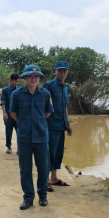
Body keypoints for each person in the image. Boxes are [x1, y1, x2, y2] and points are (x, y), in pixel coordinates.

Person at [10, 65, 53, 210]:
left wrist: (38, 124)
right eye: (29, 76)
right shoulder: (17, 94)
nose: (33, 78)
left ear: (39, 78)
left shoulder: (45, 94)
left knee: (43, 168)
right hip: (24, 137)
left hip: (41, 137)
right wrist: (24, 125)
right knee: (25, 169)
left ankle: (43, 195)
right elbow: (13, 113)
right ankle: (28, 197)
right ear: (24, 78)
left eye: (36, 76)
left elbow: (47, 113)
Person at [44, 61, 73, 191]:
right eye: (60, 71)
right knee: (49, 152)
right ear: (55, 71)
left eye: (64, 71)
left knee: (58, 152)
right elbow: (43, 105)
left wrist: (68, 124)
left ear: (67, 72)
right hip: (51, 125)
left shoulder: (65, 87)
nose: (62, 73)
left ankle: (54, 178)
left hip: (61, 125)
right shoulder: (49, 85)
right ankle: (45, 181)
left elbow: (65, 106)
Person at [0, 73, 20, 154]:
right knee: (8, 131)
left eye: (17, 81)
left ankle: (19, 148)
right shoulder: (5, 90)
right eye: (15, 81)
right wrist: (4, 113)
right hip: (8, 113)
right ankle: (9, 146)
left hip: (18, 114)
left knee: (20, 131)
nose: (16, 83)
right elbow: (3, 102)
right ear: (11, 80)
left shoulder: (19, 90)